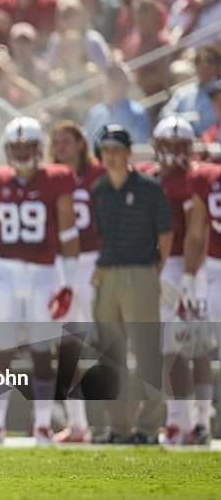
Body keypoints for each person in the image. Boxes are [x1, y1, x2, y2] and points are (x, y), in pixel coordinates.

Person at [0, 117, 79, 445]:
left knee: (41, 351)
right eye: (16, 148)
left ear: (39, 149)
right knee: (0, 351)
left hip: (44, 273)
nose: (21, 154)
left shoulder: (56, 180)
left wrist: (68, 283)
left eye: (27, 147)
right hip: (5, 272)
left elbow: (69, 235)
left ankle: (43, 425)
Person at [91, 126, 172, 445]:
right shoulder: (99, 190)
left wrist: (153, 270)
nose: (110, 156)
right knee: (109, 355)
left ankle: (148, 428)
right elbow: (103, 234)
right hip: (108, 273)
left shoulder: (150, 188)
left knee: (147, 353)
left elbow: (164, 235)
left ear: (128, 152)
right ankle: (118, 427)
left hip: (140, 271)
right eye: (105, 150)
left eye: (115, 150)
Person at [142, 117, 206, 445]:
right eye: (167, 146)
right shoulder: (147, 178)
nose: (172, 154)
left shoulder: (192, 181)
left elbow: (196, 235)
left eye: (179, 147)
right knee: (165, 348)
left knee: (177, 347)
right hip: (155, 266)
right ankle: (181, 421)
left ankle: (186, 422)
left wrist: (188, 279)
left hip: (182, 265)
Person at [50, 120, 105, 443]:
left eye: (66, 141)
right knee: (67, 344)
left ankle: (122, 419)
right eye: (56, 141)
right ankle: (78, 423)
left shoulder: (98, 174)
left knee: (107, 340)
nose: (61, 147)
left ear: (82, 143)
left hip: (95, 260)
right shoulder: (50, 178)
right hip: (63, 264)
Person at [182, 155, 221, 444]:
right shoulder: (208, 178)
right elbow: (196, 233)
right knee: (200, 346)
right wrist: (188, 275)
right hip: (212, 271)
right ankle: (203, 421)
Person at [82, 63, 152, 145]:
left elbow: (140, 143)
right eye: (111, 77)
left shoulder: (138, 112)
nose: (114, 82)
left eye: (118, 78)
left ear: (127, 83)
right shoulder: (95, 112)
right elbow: (87, 142)